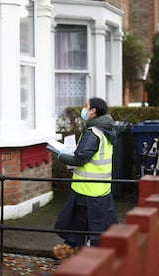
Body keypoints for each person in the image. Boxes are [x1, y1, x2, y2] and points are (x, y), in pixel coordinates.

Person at [52, 97, 119, 258]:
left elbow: (80, 159)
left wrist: (60, 155)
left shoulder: (93, 133)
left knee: (83, 224)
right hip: (101, 188)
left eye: (86, 106)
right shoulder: (106, 131)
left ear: (93, 111)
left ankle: (91, 258)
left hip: (87, 188)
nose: (83, 109)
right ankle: (72, 250)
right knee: (94, 225)